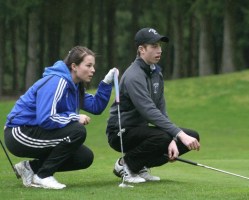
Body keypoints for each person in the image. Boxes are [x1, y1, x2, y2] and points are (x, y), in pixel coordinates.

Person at [4, 46, 116, 189]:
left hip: (35, 131)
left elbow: (96, 106)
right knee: (77, 131)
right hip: (19, 134)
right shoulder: (57, 81)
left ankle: (30, 168)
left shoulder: (75, 87)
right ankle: (43, 176)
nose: (93, 70)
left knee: (84, 157)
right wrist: (74, 117)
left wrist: (106, 83)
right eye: (88, 65)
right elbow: (46, 118)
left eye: (93, 66)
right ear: (74, 66)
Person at [106, 28, 200, 183]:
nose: (159, 50)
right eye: (154, 46)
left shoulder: (156, 72)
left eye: (160, 46)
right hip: (121, 132)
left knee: (192, 136)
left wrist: (173, 137)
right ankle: (126, 165)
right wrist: (177, 135)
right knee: (169, 137)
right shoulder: (133, 76)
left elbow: (160, 108)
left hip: (140, 131)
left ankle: (138, 165)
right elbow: (148, 111)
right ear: (142, 50)